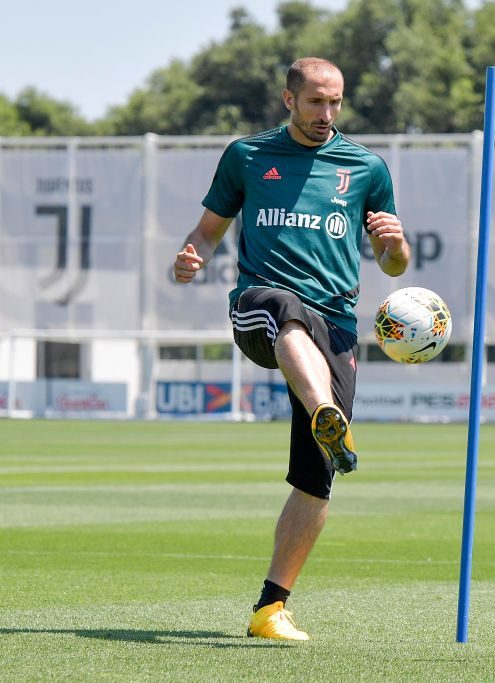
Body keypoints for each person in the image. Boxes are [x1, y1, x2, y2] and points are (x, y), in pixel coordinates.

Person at [173, 57, 410, 640]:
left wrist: (396, 246)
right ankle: (324, 411)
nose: (327, 113)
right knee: (286, 311)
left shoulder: (366, 168)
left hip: (337, 323)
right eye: (315, 102)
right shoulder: (247, 156)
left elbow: (393, 265)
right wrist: (191, 256)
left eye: (335, 102)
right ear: (289, 100)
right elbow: (208, 230)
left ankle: (270, 609)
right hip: (260, 305)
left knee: (316, 476)